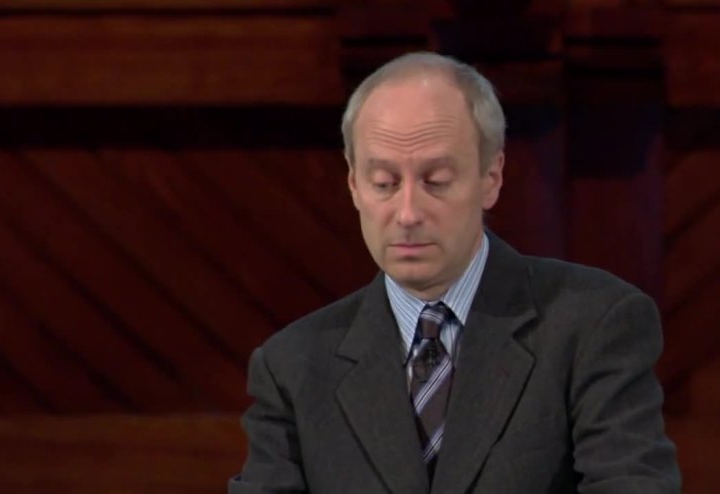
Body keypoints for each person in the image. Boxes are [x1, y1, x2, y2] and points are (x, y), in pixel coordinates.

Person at [229, 52, 681, 493]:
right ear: (354, 186)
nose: (408, 213)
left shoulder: (594, 326)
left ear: (491, 177)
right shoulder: (292, 367)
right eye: (384, 183)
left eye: (436, 182)